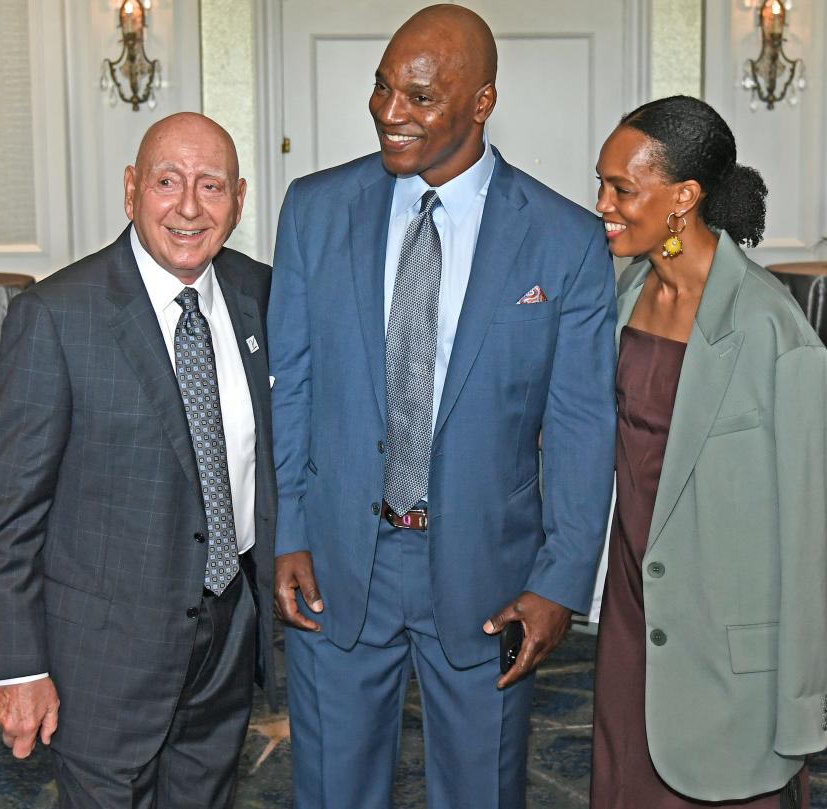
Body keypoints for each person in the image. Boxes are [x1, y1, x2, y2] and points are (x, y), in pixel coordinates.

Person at [267, 4, 617, 807]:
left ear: (481, 102)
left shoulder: (563, 240)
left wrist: (561, 581)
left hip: (489, 576)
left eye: (420, 98)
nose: (392, 113)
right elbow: (292, 383)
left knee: (480, 790)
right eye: (383, 89)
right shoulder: (314, 210)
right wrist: (287, 530)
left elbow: (578, 424)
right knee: (331, 790)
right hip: (334, 565)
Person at [0, 112, 276, 809]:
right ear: (131, 189)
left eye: (212, 186)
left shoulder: (261, 294)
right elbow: (5, 515)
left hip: (228, 632)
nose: (190, 207)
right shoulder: (56, 315)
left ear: (240, 198)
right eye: (168, 182)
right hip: (103, 653)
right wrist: (18, 666)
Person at [591, 95, 827, 808]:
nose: (602, 203)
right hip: (630, 613)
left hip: (726, 649)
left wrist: (801, 706)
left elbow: (817, 541)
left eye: (621, 187)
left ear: (683, 197)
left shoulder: (775, 332)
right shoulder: (628, 290)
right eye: (602, 183)